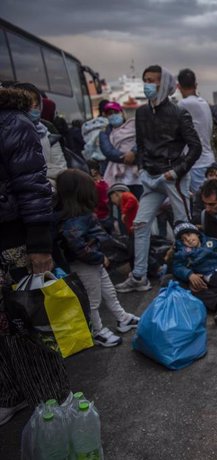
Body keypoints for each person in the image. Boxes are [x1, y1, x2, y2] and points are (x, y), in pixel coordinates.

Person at [0, 84, 68, 425]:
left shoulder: (14, 124)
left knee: (28, 322)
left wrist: (40, 245)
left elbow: (34, 187)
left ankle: (50, 398)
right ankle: (9, 393)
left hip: (14, 242)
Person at [114, 65, 202, 293]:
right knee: (140, 225)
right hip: (151, 177)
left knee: (184, 227)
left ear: (164, 84)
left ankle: (192, 274)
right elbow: (141, 144)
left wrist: (176, 172)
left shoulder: (179, 112)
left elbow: (195, 148)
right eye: (146, 80)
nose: (148, 85)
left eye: (153, 80)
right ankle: (139, 276)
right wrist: (143, 168)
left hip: (173, 177)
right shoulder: (142, 113)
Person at [56, 169, 140, 348]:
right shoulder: (74, 220)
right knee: (93, 300)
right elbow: (78, 247)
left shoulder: (78, 216)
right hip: (85, 265)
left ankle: (122, 318)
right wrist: (99, 257)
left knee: (108, 291)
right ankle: (98, 331)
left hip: (94, 263)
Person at [13, 82, 67, 187]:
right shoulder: (7, 135)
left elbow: (62, 171)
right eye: (28, 104)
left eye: (36, 105)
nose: (34, 108)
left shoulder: (48, 135)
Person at [177, 68, 215, 194]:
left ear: (178, 86)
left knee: (201, 201)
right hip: (208, 159)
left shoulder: (183, 104)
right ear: (196, 85)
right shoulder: (203, 102)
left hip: (196, 163)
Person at [99, 101, 142, 199]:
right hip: (119, 178)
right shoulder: (104, 133)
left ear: (122, 113)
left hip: (138, 176)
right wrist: (128, 158)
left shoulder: (134, 126)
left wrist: (133, 153)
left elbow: (143, 141)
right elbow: (108, 152)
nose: (113, 115)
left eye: (116, 112)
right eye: (110, 114)